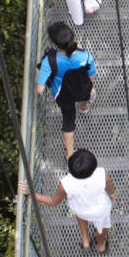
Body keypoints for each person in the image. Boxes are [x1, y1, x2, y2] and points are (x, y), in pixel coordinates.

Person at [19, 149, 117, 253]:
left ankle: (86, 241)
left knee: (81, 214)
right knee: (101, 228)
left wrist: (29, 193)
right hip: (100, 211)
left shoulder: (65, 183)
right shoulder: (102, 174)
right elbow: (110, 189)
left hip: (80, 208)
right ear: (94, 165)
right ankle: (101, 246)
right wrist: (111, 195)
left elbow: (53, 201)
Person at [35, 21, 97, 159]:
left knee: (68, 119)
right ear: (72, 38)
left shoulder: (49, 61)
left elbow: (39, 89)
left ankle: (69, 155)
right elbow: (92, 77)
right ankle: (84, 107)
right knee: (88, 92)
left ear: (54, 43)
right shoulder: (86, 56)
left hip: (63, 95)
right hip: (82, 89)